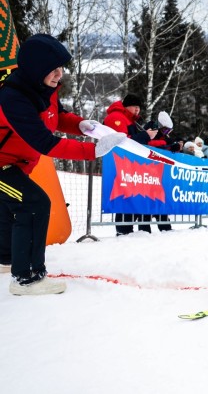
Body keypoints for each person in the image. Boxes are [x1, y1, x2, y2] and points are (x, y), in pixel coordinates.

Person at [0, 34, 125, 295]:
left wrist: (81, 125)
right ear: (36, 68)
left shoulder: (43, 88)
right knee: (34, 203)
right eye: (53, 69)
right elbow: (45, 143)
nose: (59, 74)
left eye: (61, 68)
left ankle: (6, 259)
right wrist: (93, 151)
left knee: (11, 206)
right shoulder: (13, 98)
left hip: (15, 164)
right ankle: (27, 279)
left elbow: (56, 117)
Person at [103, 94, 172, 233]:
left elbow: (141, 143)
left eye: (139, 107)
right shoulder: (116, 117)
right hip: (120, 164)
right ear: (126, 106)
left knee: (133, 195)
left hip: (130, 165)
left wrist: (163, 144)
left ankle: (130, 230)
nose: (137, 110)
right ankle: (124, 230)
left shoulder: (130, 120)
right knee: (124, 195)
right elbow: (123, 141)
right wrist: (146, 136)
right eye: (135, 106)